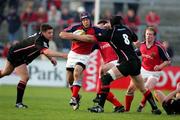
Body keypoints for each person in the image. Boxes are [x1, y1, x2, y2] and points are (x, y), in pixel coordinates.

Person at [63, 16, 162, 114]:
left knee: (105, 79)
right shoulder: (126, 29)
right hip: (136, 62)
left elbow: (91, 38)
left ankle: (99, 106)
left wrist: (75, 36)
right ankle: (155, 108)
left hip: (126, 62)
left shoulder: (111, 33)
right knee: (143, 88)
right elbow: (135, 38)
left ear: (112, 24)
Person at [0, 24, 67, 108]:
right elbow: (46, 51)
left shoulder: (43, 39)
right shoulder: (39, 40)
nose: (51, 34)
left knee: (6, 72)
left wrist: (51, 59)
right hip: (17, 55)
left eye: (52, 32)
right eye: (49, 33)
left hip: (16, 52)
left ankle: (18, 103)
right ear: (43, 33)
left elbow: (43, 50)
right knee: (25, 77)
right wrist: (63, 55)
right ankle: (18, 103)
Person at [59, 12, 102, 110]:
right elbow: (61, 34)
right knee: (69, 79)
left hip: (84, 56)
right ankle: (77, 96)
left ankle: (73, 98)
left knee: (77, 73)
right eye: (83, 20)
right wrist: (76, 37)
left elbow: (91, 39)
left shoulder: (95, 29)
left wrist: (74, 37)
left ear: (90, 20)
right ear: (81, 21)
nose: (86, 22)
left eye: (87, 19)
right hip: (73, 54)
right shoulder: (75, 27)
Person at [125, 26, 171, 112]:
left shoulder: (159, 47)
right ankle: (126, 109)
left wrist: (160, 66)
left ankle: (141, 106)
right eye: (147, 34)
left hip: (154, 73)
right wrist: (133, 47)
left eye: (150, 34)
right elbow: (133, 54)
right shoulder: (142, 45)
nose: (148, 36)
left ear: (154, 36)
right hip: (142, 70)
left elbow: (168, 61)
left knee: (147, 88)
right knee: (130, 89)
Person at [92, 20, 125, 112]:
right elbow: (89, 49)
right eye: (97, 28)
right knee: (104, 89)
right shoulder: (99, 41)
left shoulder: (113, 35)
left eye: (100, 28)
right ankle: (118, 106)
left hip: (119, 61)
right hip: (110, 64)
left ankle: (98, 95)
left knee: (102, 68)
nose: (98, 29)